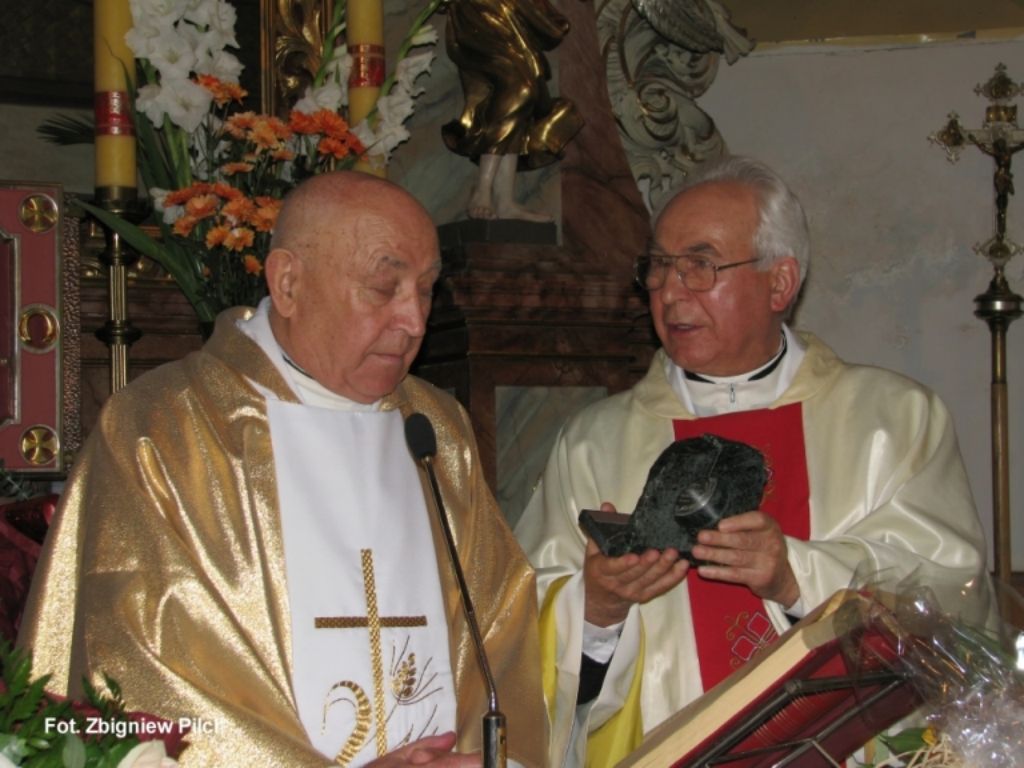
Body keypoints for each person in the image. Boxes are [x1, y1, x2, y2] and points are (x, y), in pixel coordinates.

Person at [20, 172, 549, 767]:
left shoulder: (436, 429)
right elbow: (137, 667)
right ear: (289, 283)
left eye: (426, 290)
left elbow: (498, 623)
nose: (414, 322)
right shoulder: (161, 428)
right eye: (384, 287)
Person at [514, 155, 992, 766]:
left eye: (700, 265)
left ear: (780, 283)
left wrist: (796, 577)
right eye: (658, 266)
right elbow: (516, 635)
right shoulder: (593, 443)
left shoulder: (894, 421)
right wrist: (597, 611)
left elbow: (953, 602)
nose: (669, 291)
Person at [442, 0, 583, 222]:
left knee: (519, 97)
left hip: (510, 14)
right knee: (520, 89)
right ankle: (482, 189)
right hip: (479, 12)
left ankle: (504, 200)